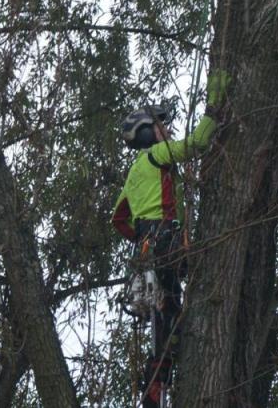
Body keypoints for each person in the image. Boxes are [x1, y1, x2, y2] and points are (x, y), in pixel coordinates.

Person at [112, 70, 229, 408]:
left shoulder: (133, 173)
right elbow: (196, 144)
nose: (166, 131)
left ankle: (155, 384)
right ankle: (159, 379)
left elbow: (118, 219)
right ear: (149, 132)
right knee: (173, 312)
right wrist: (213, 110)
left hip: (148, 249)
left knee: (165, 319)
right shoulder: (156, 155)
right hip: (165, 241)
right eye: (161, 126)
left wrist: (142, 239)